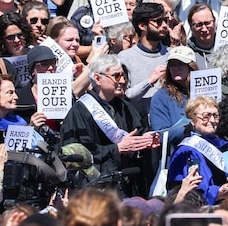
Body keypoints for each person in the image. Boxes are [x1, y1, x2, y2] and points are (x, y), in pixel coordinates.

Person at [59, 54, 156, 197]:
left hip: (127, 183)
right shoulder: (81, 111)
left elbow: (137, 134)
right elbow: (72, 153)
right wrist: (116, 149)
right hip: (98, 187)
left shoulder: (126, 107)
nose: (122, 81)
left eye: (122, 75)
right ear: (98, 78)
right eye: (116, 76)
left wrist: (146, 140)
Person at [167, 95, 228, 204]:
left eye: (215, 116)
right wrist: (218, 192)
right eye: (206, 116)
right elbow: (195, 192)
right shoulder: (187, 151)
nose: (212, 120)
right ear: (192, 120)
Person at [149, 46, 197, 143]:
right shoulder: (161, 97)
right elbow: (161, 135)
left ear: (191, 67)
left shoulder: (204, 93)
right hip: (178, 153)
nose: (176, 68)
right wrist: (189, 128)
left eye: (181, 64)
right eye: (172, 65)